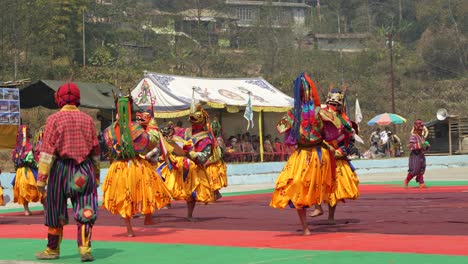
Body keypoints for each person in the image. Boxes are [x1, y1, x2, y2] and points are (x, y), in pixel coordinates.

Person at [35, 82, 100, 261]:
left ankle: (52, 250)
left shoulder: (53, 120)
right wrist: (96, 176)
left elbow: (47, 152)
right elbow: (95, 151)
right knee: (86, 208)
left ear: (59, 99)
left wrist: (41, 180)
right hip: (83, 171)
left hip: (61, 171)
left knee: (55, 209)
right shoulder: (88, 120)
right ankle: (85, 249)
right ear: (77, 100)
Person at [270, 72, 338, 235]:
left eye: (306, 90)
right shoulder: (294, 113)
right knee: (296, 184)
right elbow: (279, 127)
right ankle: (305, 226)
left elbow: (336, 126)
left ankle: (318, 207)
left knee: (315, 184)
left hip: (318, 153)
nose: (304, 93)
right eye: (302, 90)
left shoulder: (319, 111)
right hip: (301, 154)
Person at [102, 95, 171, 237]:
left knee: (124, 197)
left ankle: (129, 230)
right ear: (131, 109)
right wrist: (152, 126)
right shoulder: (135, 128)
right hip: (136, 165)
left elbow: (109, 149)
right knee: (148, 191)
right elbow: (149, 143)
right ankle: (148, 218)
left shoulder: (108, 131)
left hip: (118, 167)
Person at [309, 88, 360, 224]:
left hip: (337, 157)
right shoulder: (321, 117)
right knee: (315, 181)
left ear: (340, 106)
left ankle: (331, 216)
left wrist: (341, 152)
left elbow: (349, 142)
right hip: (323, 154)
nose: (333, 106)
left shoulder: (346, 123)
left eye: (336, 104)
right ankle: (317, 207)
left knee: (334, 189)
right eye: (331, 103)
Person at [183, 104, 216, 220]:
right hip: (180, 164)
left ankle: (189, 215)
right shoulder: (185, 132)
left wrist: (192, 153)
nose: (193, 124)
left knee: (192, 192)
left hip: (194, 167)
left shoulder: (206, 138)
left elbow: (204, 156)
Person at [11, 125, 45, 216]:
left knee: (23, 191)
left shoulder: (16, 148)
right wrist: (38, 165)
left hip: (19, 173)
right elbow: (31, 160)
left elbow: (14, 159)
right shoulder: (28, 147)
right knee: (41, 188)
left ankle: (26, 210)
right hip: (28, 172)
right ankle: (46, 208)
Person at [404, 119, 430, 188]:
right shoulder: (413, 137)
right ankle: (407, 180)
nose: (421, 131)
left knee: (421, 170)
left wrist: (426, 146)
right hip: (415, 157)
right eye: (419, 130)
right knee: (414, 170)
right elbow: (411, 146)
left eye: (421, 130)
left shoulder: (421, 137)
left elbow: (423, 148)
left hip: (421, 156)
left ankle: (421, 183)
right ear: (416, 130)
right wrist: (420, 144)